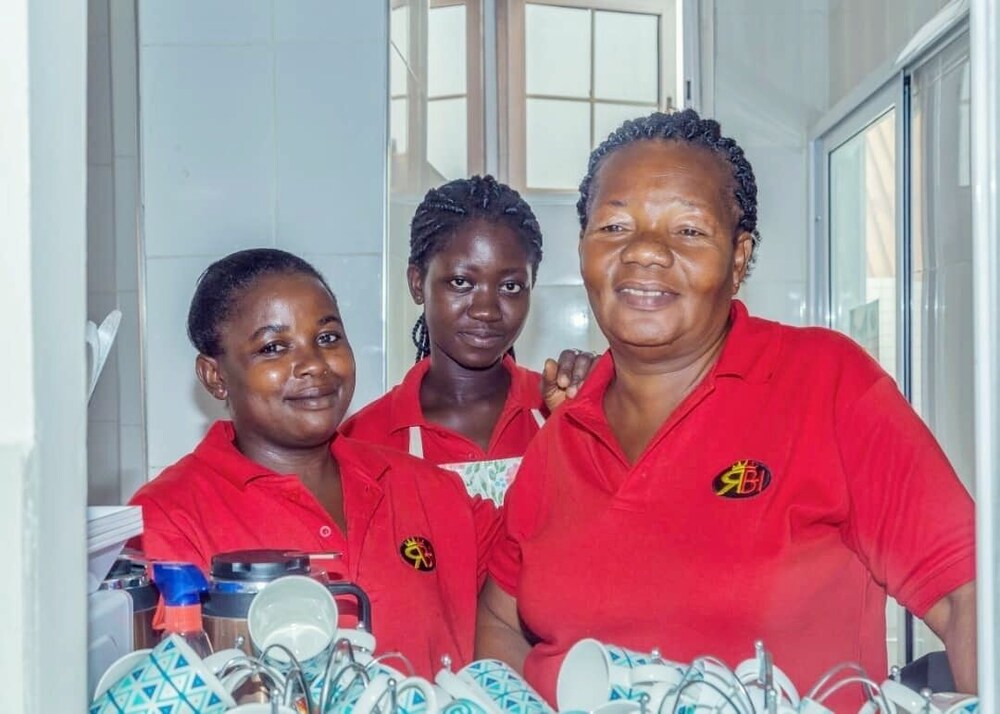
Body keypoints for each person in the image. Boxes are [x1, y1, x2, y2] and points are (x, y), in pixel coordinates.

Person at [475, 110, 977, 708]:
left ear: (738, 259)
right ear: (583, 248)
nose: (645, 252)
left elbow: (968, 596)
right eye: (614, 226)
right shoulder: (562, 436)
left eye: (688, 230)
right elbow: (501, 618)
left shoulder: (825, 385)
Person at [128, 248, 499, 678]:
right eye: (273, 347)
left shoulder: (429, 490)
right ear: (215, 376)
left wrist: (567, 419)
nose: (312, 365)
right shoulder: (165, 519)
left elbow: (541, 566)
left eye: (327, 338)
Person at [342, 175, 592, 505]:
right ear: (417, 284)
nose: (486, 310)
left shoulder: (563, 412)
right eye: (461, 282)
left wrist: (601, 417)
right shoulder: (363, 440)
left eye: (510, 286)